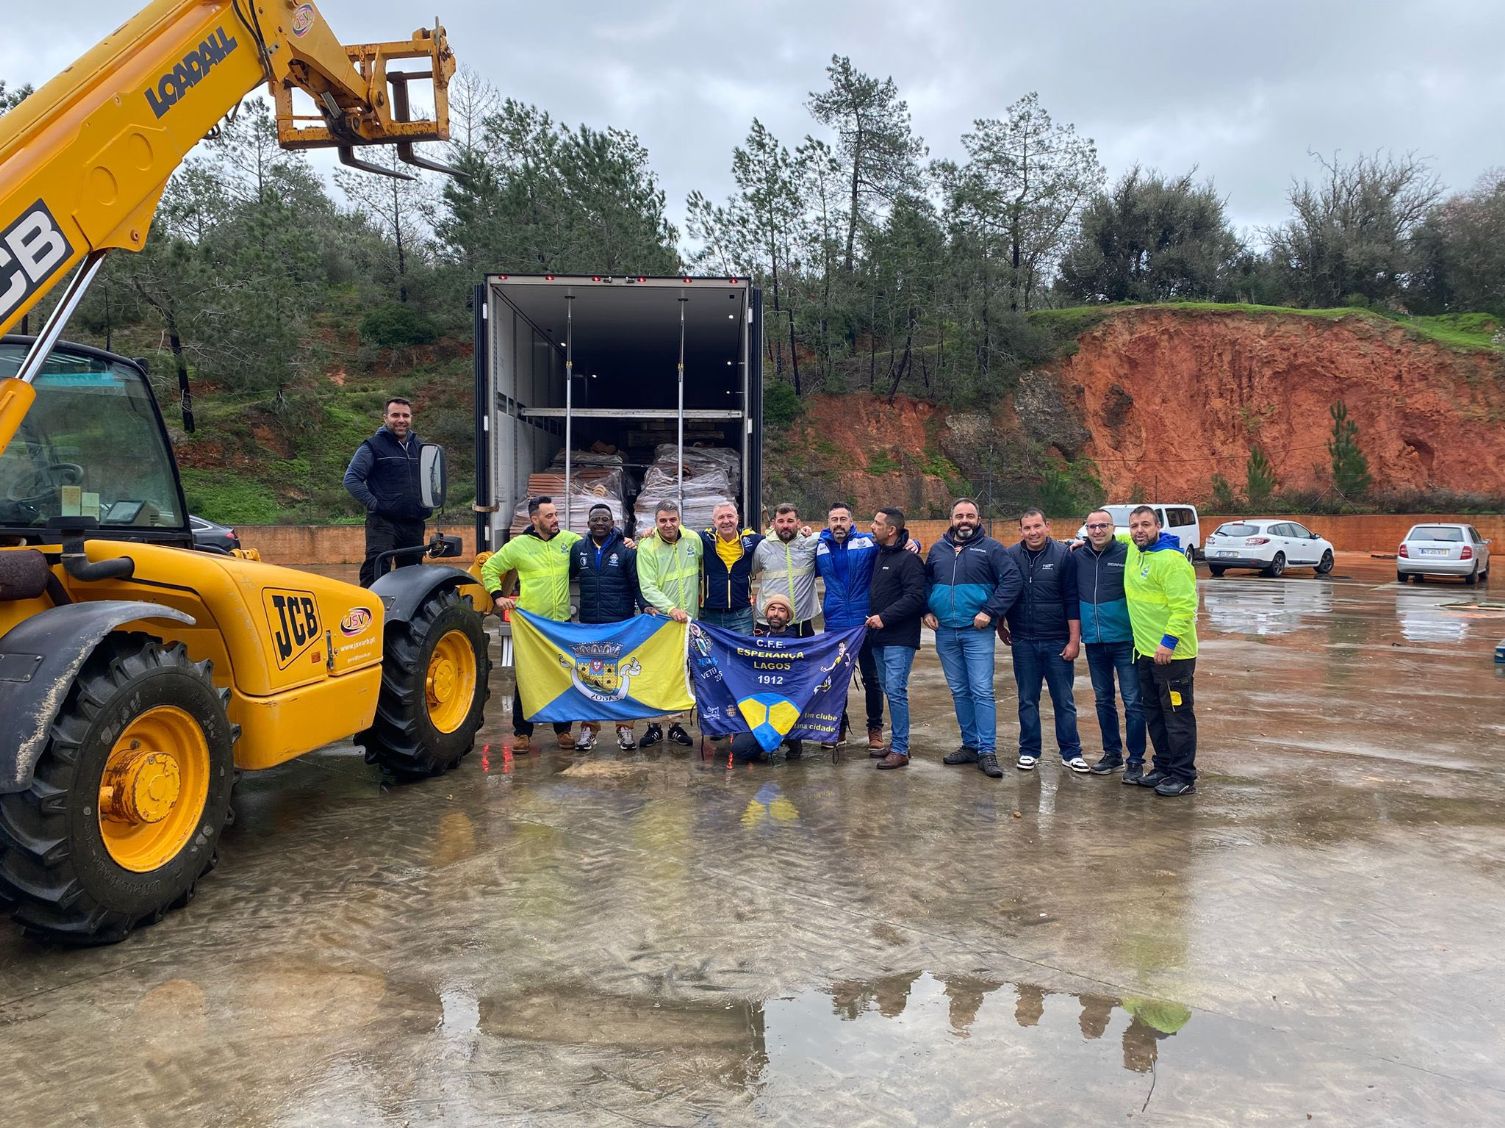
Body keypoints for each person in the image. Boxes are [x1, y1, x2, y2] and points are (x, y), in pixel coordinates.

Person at [924, 498, 1023, 778]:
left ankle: (987, 751)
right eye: (959, 516)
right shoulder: (938, 550)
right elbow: (926, 581)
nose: (964, 520)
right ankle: (969, 745)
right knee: (959, 690)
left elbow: (1011, 581)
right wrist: (926, 609)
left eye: (970, 515)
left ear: (978, 519)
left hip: (976, 631)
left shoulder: (992, 549)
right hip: (945, 632)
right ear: (951, 519)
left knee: (981, 690)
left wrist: (990, 612)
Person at [481, 496, 580, 753]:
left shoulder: (568, 541)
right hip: (532, 625)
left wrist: (627, 539)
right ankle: (522, 733)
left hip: (561, 624)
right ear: (535, 519)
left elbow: (595, 546)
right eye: (549, 516)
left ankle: (563, 730)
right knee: (527, 678)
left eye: (556, 514)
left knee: (562, 676)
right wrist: (498, 596)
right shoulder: (518, 546)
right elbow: (490, 567)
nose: (555, 519)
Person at [1123, 505, 1200, 796]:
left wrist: (1168, 642)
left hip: (1174, 656)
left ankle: (1183, 776)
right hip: (1144, 653)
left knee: (1177, 716)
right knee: (1154, 714)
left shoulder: (1172, 560)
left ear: (1158, 527)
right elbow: (1111, 536)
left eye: (1145, 524)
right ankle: (1164, 766)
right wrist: (1082, 541)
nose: (1139, 530)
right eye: (1134, 526)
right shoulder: (1135, 550)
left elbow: (1184, 606)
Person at [1002, 509, 1086, 773]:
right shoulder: (1011, 555)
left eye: (1037, 526)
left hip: (1056, 641)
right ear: (1020, 531)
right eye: (1027, 528)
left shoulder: (1063, 555)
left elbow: (1072, 599)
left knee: (1064, 700)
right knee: (1027, 699)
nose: (1033, 532)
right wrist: (999, 624)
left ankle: (1071, 752)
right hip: (1023, 641)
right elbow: (1003, 591)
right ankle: (1029, 750)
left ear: (1048, 526)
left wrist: (1074, 641)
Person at [1074, 509, 1147, 779]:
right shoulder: (1077, 556)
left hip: (1125, 640)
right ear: (1086, 529)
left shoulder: (1127, 554)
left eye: (1102, 525)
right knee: (1103, 700)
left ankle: (1136, 760)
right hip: (1094, 642)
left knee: (1132, 702)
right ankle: (1112, 754)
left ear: (1112, 527)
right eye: (1092, 526)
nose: (1097, 531)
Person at [571, 503, 644, 752]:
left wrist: (646, 608)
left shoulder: (626, 550)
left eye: (605, 519)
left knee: (619, 678)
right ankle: (588, 729)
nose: (600, 523)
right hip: (590, 623)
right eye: (595, 519)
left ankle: (624, 729)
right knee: (589, 678)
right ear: (588, 524)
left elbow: (636, 583)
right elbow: (563, 577)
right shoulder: (578, 548)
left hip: (620, 623)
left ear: (613, 523)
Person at [814, 502, 885, 752]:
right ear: (828, 522)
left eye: (843, 519)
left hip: (865, 622)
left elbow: (895, 545)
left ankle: (874, 730)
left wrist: (915, 544)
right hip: (835, 624)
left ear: (852, 521)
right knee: (836, 679)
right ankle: (838, 727)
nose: (839, 524)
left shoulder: (867, 543)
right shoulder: (819, 546)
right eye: (834, 519)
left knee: (872, 679)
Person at [343, 396, 431, 588]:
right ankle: (369, 615)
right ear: (385, 418)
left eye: (405, 415)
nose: (401, 420)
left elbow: (431, 479)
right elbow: (351, 479)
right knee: (376, 572)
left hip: (413, 523)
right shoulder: (373, 446)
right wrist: (376, 505)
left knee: (412, 579)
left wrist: (430, 503)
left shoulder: (421, 447)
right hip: (383, 523)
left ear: (411, 418)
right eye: (395, 415)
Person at [635, 499, 702, 748]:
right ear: (655, 522)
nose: (668, 525)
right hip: (661, 621)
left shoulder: (693, 540)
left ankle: (675, 725)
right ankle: (653, 725)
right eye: (662, 520)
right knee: (656, 674)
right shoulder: (647, 546)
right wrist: (670, 609)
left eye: (672, 519)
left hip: (686, 623)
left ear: (680, 519)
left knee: (680, 673)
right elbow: (648, 586)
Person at [865, 508, 927, 771]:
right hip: (879, 638)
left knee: (896, 691)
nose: (872, 527)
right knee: (889, 690)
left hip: (899, 638)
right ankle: (897, 742)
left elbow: (915, 597)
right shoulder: (881, 554)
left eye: (877, 523)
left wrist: (885, 617)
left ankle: (900, 749)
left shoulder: (909, 560)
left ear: (891, 530)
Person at [729, 592, 805, 763]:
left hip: (785, 710)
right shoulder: (755, 641)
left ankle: (791, 738)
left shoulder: (798, 645)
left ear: (788, 617)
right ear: (766, 614)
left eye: (781, 610)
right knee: (738, 749)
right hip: (758, 710)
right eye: (772, 609)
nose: (776, 613)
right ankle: (765, 742)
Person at [751, 503, 820, 636]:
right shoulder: (763, 547)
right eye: (781, 521)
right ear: (774, 523)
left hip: (801, 622)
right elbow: (747, 573)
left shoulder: (810, 543)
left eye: (790, 521)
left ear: (798, 523)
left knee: (803, 657)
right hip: (769, 622)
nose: (785, 525)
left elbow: (832, 534)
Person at [699, 501, 763, 634]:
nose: (726, 521)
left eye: (730, 516)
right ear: (714, 521)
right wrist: (651, 531)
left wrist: (803, 532)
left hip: (741, 615)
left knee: (742, 654)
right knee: (710, 654)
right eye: (721, 517)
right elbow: (680, 535)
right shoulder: (703, 539)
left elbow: (776, 539)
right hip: (710, 615)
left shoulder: (751, 540)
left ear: (737, 519)